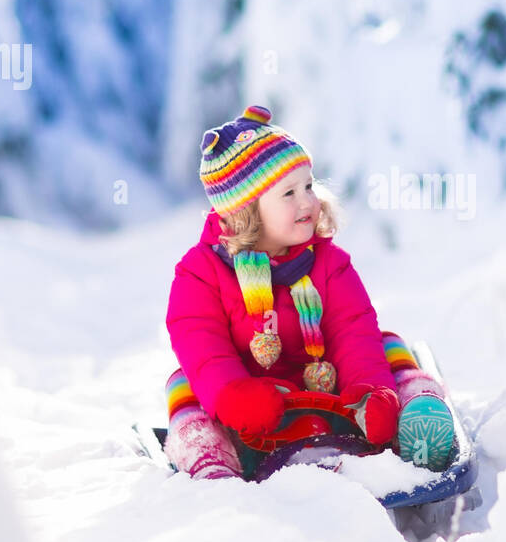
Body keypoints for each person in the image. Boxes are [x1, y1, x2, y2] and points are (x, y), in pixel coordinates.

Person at [163, 105, 455, 480]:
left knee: (389, 346)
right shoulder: (200, 274)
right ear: (246, 210)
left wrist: (370, 393)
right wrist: (234, 396)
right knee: (186, 383)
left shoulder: (329, 263)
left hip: (333, 396)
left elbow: (353, 330)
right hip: (250, 418)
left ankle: (416, 414)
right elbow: (201, 344)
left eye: (309, 186)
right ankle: (210, 460)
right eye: (289, 193)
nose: (308, 202)